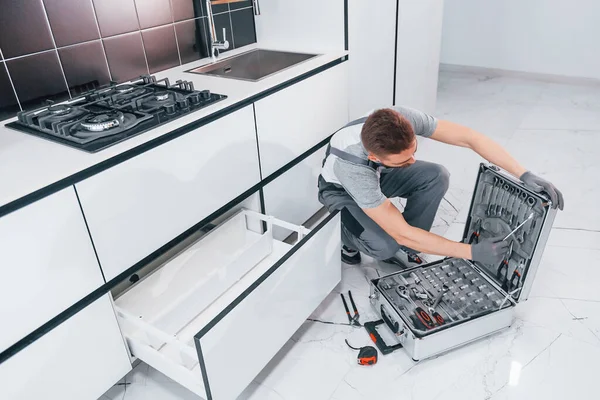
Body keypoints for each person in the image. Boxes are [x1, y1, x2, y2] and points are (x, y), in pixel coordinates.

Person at [318, 107, 564, 267]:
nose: (412, 162)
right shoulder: (352, 167)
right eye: (404, 161)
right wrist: (471, 252)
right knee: (385, 245)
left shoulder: (399, 120)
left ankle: (412, 246)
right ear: (375, 157)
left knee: (435, 175)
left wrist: (523, 173)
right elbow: (400, 231)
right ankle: (347, 238)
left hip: (379, 175)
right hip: (340, 191)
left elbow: (469, 137)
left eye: (413, 151)